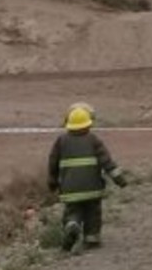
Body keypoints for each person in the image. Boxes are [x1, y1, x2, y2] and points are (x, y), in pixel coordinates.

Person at [47, 103, 128, 252]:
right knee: (93, 213)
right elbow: (107, 162)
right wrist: (119, 179)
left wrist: (52, 182)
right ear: (88, 124)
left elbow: (53, 163)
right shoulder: (94, 140)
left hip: (70, 189)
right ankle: (92, 239)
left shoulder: (61, 141)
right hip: (93, 188)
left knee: (73, 211)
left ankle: (72, 224)